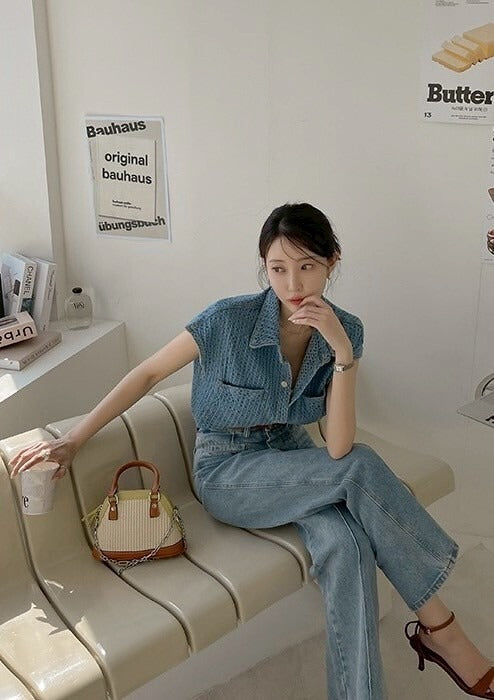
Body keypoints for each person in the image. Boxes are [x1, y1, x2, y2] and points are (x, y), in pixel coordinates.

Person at [9, 203, 494, 699]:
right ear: (264, 266)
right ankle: (440, 626)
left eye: (307, 266)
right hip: (228, 472)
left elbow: (337, 446)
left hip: (296, 461)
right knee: (361, 466)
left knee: (347, 543)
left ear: (332, 262)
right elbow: (149, 373)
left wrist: (343, 353)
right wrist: (73, 439)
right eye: (277, 268)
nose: (292, 284)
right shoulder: (227, 320)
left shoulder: (345, 331)